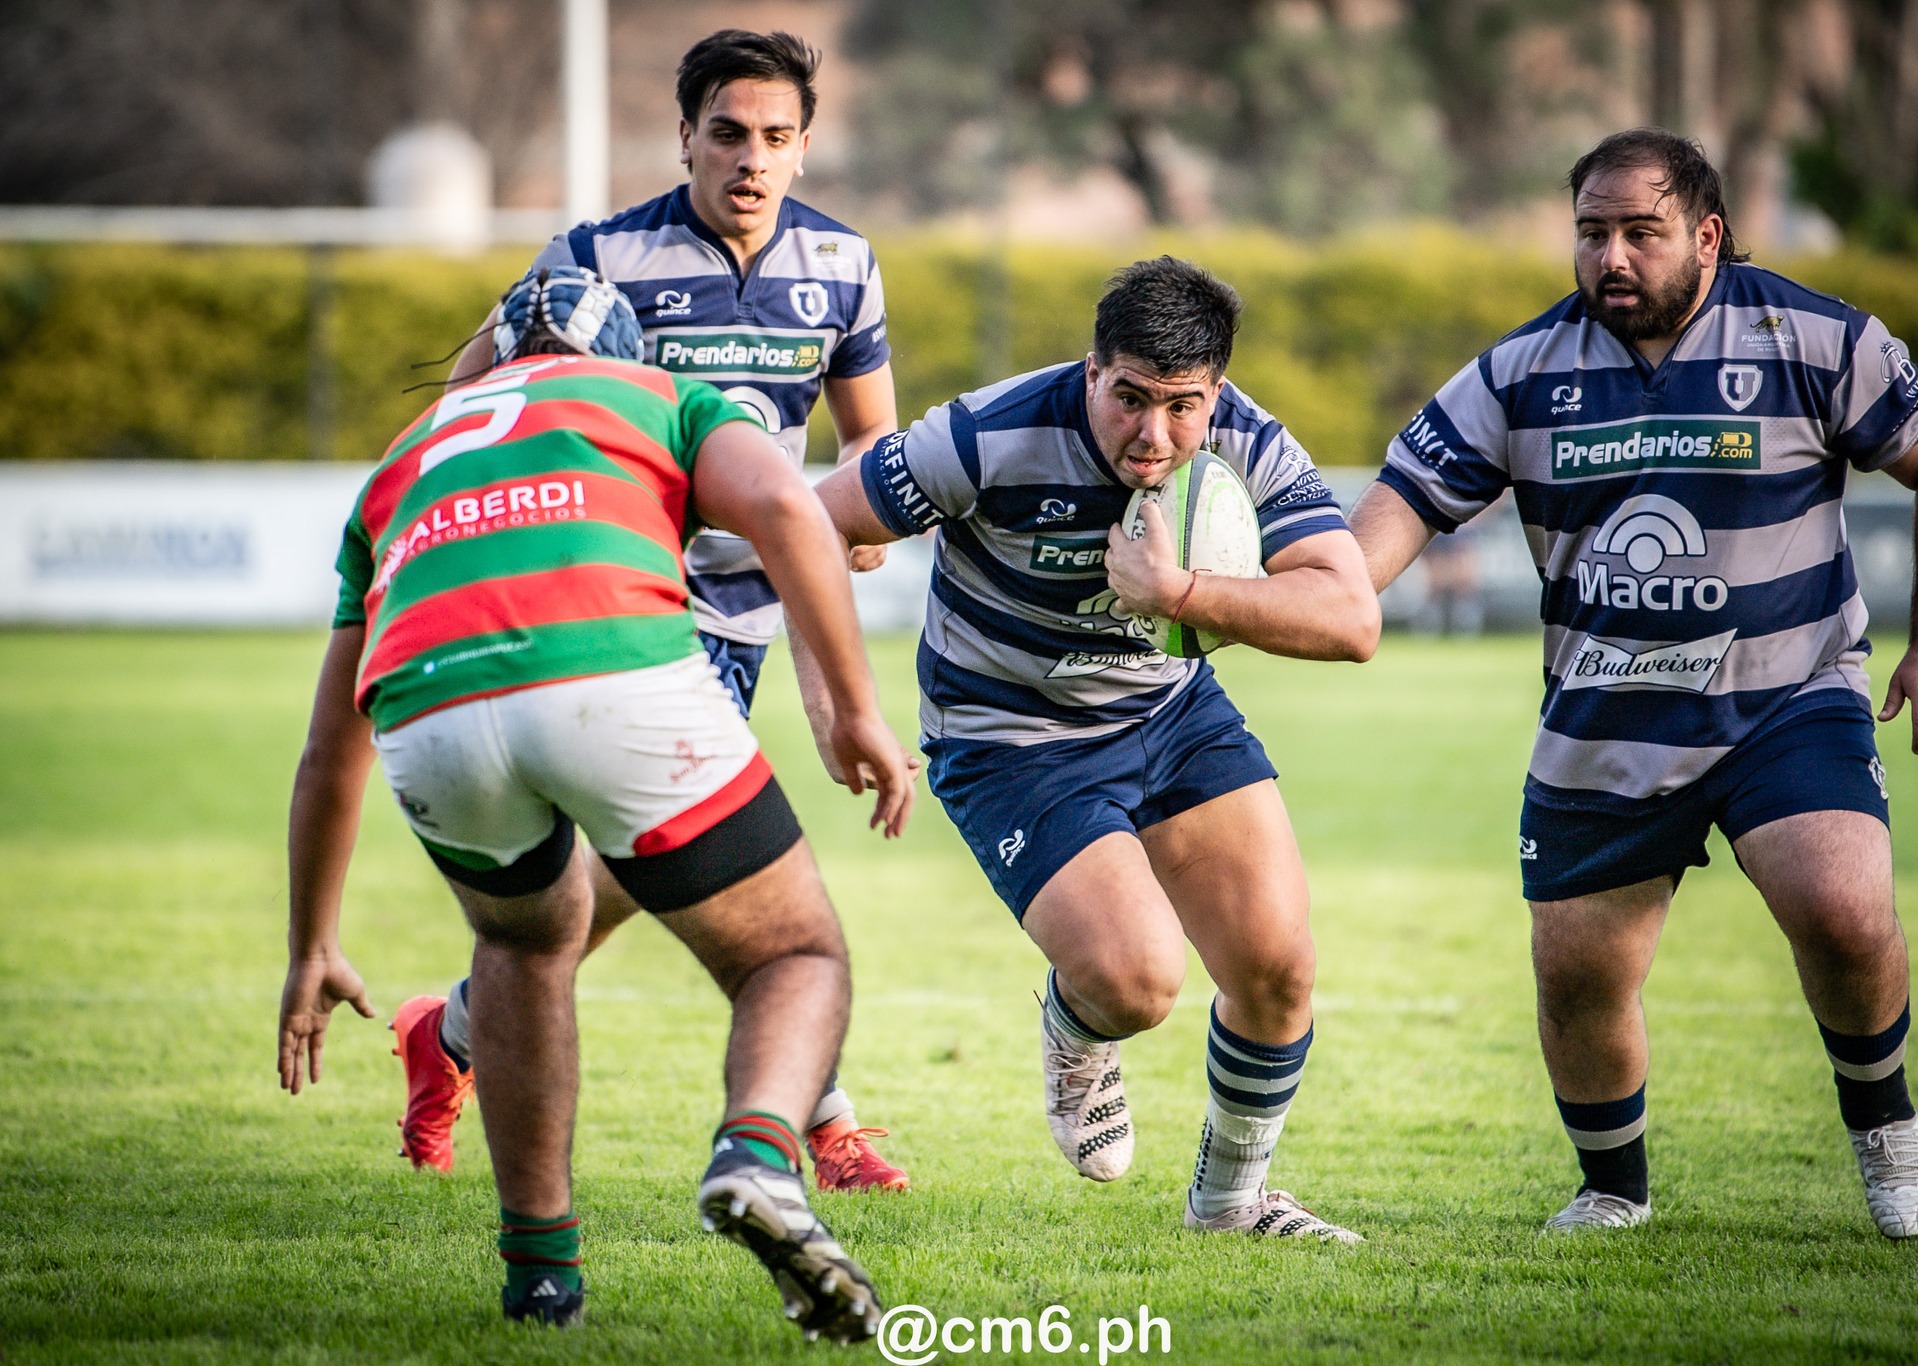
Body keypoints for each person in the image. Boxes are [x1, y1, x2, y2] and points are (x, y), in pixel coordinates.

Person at [1348, 129, 1918, 1236]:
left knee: (1840, 906)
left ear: (1704, 233)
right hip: (1604, 716)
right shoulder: (1517, 372)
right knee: (1578, 974)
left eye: (1639, 232)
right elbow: (1378, 533)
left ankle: (1883, 1128)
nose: (1610, 256)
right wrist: (1292, 589)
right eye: (1591, 232)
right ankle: (1611, 1189)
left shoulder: (1812, 336)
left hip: (1785, 693)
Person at [277, 266, 910, 1336]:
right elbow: (783, 508)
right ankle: (759, 1158)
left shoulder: (399, 464)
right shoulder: (653, 394)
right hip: (607, 673)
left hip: (426, 712)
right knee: (789, 954)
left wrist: (310, 944)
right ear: (621, 352)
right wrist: (852, 706)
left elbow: (326, 748)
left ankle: (541, 1279)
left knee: (525, 946)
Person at [414, 27, 908, 1193]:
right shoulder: (596, 254)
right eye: (728, 134)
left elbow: (869, 439)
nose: (751, 160)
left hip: (746, 609)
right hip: (622, 603)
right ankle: (809, 1121)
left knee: (655, 873)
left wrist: (851, 516)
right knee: (727, 876)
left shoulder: (843, 263)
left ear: (802, 146)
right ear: (682, 133)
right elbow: (469, 392)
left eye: (777, 139)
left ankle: (453, 1034)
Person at [799, 256, 1382, 1240]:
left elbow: (1350, 616)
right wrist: (836, 706)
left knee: (1276, 966)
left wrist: (1184, 597)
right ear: (1089, 372)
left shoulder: (1247, 444)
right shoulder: (986, 434)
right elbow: (813, 523)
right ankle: (1078, 1030)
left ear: (1218, 393)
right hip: (1010, 732)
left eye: (1182, 407)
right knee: (1135, 980)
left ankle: (1230, 1205)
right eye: (1129, 400)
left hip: (1167, 712)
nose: (1153, 435)